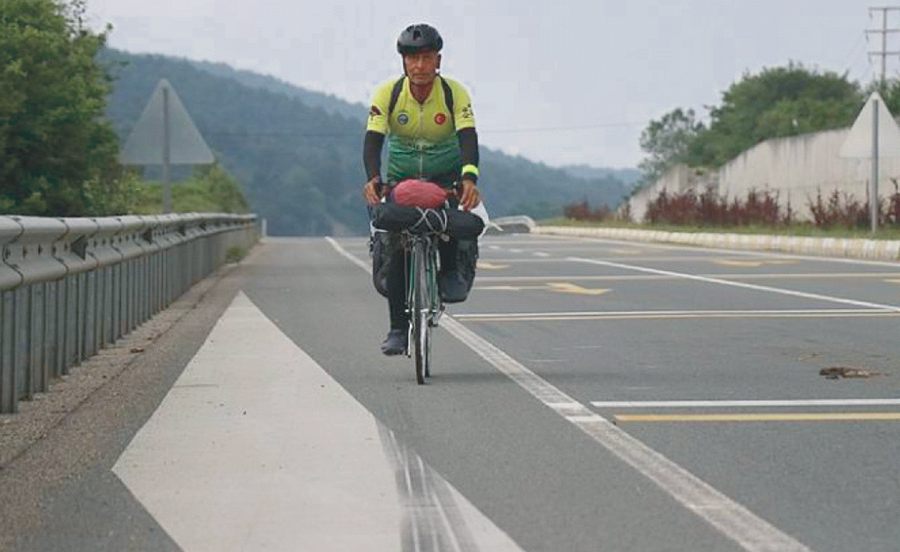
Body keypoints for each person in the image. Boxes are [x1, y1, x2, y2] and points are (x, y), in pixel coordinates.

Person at [363, 23, 481, 355]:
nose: (419, 66)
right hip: (402, 180)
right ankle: (398, 329)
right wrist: (373, 178)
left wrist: (469, 178)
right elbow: (373, 142)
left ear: (437, 60)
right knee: (400, 247)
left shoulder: (454, 93)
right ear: (403, 62)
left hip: (446, 179)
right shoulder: (388, 94)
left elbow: (468, 138)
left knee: (448, 226)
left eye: (426, 58)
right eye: (412, 59)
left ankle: (450, 271)